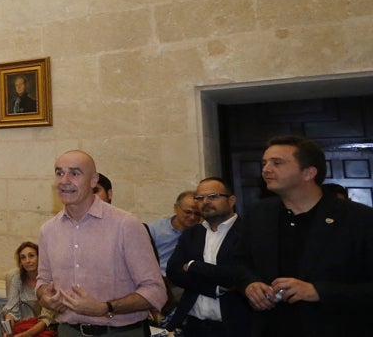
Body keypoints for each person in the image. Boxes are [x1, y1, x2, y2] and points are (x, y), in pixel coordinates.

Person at [238, 135, 373, 336]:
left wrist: (318, 291)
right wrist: (249, 284)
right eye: (264, 163)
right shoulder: (258, 213)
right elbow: (239, 262)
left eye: (277, 163)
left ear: (308, 172)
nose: (266, 169)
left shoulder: (359, 219)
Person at [37, 150, 165, 337]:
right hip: (68, 331)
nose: (64, 180)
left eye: (74, 173)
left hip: (120, 332)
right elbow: (42, 282)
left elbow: (155, 291)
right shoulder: (48, 230)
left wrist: (105, 308)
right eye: (59, 173)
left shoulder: (125, 224)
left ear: (93, 180)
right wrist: (45, 297)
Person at [165, 177, 248, 337]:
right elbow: (173, 272)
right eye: (200, 198)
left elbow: (237, 276)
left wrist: (195, 266)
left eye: (213, 196)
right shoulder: (192, 233)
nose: (205, 202)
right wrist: (214, 288)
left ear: (231, 200)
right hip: (193, 325)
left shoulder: (247, 232)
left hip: (233, 326)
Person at [1, 241, 57, 337]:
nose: (27, 261)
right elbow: (11, 311)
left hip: (45, 329)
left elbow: (47, 319)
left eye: (31, 256)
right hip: (21, 326)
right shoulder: (15, 277)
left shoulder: (50, 279)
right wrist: (8, 330)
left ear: (40, 258)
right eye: (23, 257)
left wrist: (25, 335)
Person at [148, 190, 201, 275]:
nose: (192, 217)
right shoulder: (154, 230)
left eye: (197, 214)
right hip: (158, 279)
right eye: (188, 212)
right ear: (176, 208)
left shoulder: (202, 234)